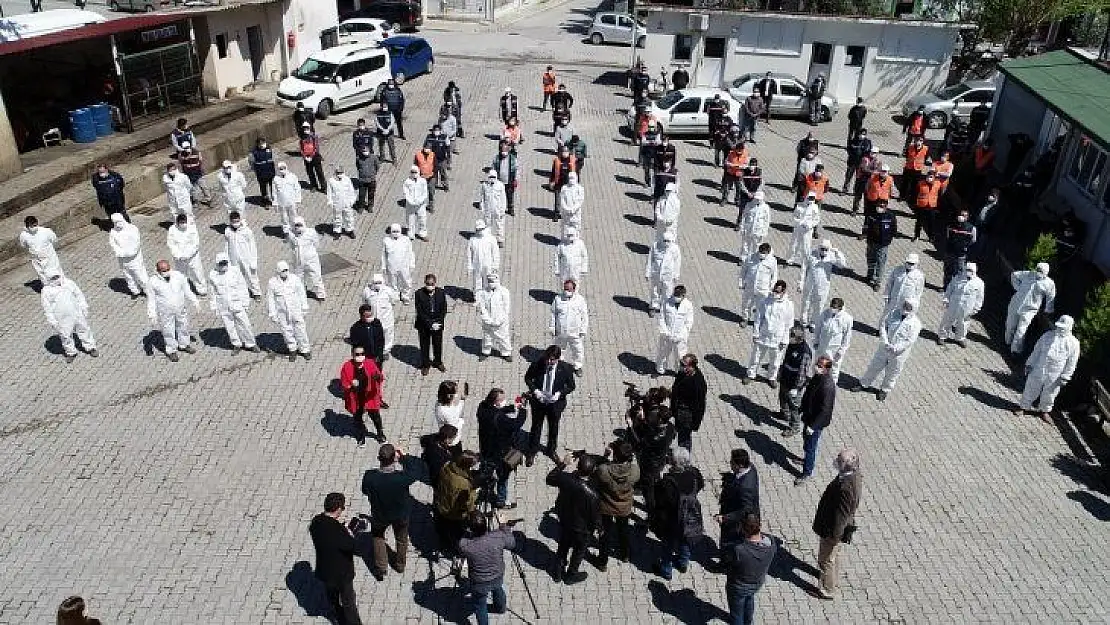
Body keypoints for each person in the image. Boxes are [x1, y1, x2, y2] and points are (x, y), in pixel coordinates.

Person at [361, 443, 419, 581]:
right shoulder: (401, 477)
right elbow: (415, 472)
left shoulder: (370, 476)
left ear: (378, 458)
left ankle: (381, 568)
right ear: (394, 458)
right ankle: (400, 565)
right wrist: (404, 457)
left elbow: (364, 490)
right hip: (400, 515)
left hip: (380, 514)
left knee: (378, 536)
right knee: (401, 539)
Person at [812, 448, 863, 600]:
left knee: (825, 559)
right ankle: (832, 580)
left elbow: (841, 516)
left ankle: (828, 590)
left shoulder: (846, 487)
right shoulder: (852, 474)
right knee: (833, 556)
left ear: (847, 464)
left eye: (840, 460)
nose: (837, 461)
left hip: (833, 530)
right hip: (836, 528)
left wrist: (834, 537)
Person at [546, 451, 601, 584]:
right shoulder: (593, 495)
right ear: (592, 471)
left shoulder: (566, 479)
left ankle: (557, 573)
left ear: (577, 467)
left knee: (563, 546)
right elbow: (594, 517)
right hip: (581, 529)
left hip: (565, 521)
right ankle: (571, 574)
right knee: (579, 551)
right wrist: (598, 529)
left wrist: (563, 464)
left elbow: (550, 478)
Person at [308, 492, 363, 625]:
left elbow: (328, 535)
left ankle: (338, 616)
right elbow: (354, 548)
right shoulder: (339, 533)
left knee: (332, 597)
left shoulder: (316, 522)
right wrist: (349, 533)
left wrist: (340, 527)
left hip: (325, 571)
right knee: (349, 603)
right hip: (342, 574)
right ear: (338, 509)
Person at [851, 299, 922, 401]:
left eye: (909, 306)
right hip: (885, 347)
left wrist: (896, 347)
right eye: (905, 305)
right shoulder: (894, 313)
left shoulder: (916, 324)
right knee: (874, 366)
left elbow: (910, 340)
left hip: (899, 353)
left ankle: (884, 389)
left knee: (893, 372)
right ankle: (864, 383)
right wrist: (884, 340)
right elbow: (883, 325)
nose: (905, 308)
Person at [652, 446, 705, 580]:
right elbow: (701, 485)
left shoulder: (668, 482)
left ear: (674, 463)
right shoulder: (694, 475)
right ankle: (683, 563)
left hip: (671, 521)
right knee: (685, 541)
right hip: (689, 517)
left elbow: (660, 502)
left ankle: (666, 570)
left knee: (668, 546)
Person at [1015, 315, 1080, 423]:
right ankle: (1023, 406)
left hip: (1056, 372)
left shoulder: (1074, 343)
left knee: (1050, 393)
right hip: (1040, 366)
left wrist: (1066, 376)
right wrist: (1030, 363)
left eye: (1063, 327)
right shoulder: (1047, 336)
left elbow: (1072, 362)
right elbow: (1037, 350)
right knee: (1031, 386)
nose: (1060, 329)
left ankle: (1044, 411)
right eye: (1059, 326)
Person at [458, 511, 519, 625]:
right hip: (497, 575)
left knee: (480, 605)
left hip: (479, 582)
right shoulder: (498, 536)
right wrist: (503, 525)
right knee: (498, 589)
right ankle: (500, 609)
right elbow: (512, 544)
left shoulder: (465, 544)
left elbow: (461, 547)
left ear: (470, 530)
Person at [720, 513, 777, 625]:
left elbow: (728, 562)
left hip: (738, 586)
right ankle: (748, 622)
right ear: (760, 525)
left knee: (736, 613)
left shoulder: (739, 549)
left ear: (743, 529)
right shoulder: (771, 542)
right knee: (749, 600)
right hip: (757, 582)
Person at [591, 439, 639, 568]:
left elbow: (597, 471)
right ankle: (625, 555)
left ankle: (602, 562)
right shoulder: (634, 471)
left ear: (615, 455)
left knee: (604, 534)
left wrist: (605, 456)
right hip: (624, 508)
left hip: (606, 507)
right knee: (623, 531)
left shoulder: (604, 470)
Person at [476, 389, 528, 507]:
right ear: (495, 402)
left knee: (485, 472)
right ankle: (501, 500)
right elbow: (516, 424)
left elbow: (497, 410)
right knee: (503, 477)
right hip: (500, 453)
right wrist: (523, 409)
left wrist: (511, 407)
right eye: (502, 399)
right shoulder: (501, 419)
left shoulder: (482, 407)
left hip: (485, 449)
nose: (505, 401)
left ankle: (484, 491)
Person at [525, 345, 577, 459]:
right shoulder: (537, 364)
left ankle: (551, 450)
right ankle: (532, 450)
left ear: (558, 359)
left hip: (555, 405)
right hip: (539, 402)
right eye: (547, 358)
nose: (549, 362)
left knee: (554, 428)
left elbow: (571, 386)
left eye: (552, 360)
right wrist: (536, 391)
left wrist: (559, 394)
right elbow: (528, 378)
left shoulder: (565, 368)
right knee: (536, 426)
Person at [794, 355, 836, 484]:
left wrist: (813, 426)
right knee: (806, 442)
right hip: (808, 416)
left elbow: (825, 410)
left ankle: (807, 471)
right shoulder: (818, 377)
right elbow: (809, 394)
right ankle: (806, 459)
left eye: (820, 366)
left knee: (811, 446)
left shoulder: (827, 386)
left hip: (815, 422)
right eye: (817, 364)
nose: (816, 367)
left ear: (826, 369)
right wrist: (801, 408)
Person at [148, 259, 199, 361]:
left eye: (167, 269)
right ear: (158, 271)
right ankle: (171, 350)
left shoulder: (178, 276)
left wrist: (195, 301)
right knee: (168, 330)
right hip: (165, 312)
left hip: (180, 308)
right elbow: (151, 299)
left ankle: (184, 344)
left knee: (183, 326)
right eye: (163, 270)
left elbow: (186, 289)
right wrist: (152, 314)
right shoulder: (153, 282)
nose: (166, 272)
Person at [745, 280, 794, 386]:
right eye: (775, 291)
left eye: (778, 292)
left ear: (784, 292)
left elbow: (788, 324)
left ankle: (772, 377)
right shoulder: (765, 301)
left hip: (778, 338)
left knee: (775, 361)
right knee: (756, 357)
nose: (776, 293)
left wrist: (784, 340)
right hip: (763, 335)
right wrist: (755, 333)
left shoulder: (788, 305)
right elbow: (758, 318)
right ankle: (751, 374)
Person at [41, 272, 98, 363]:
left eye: (57, 276)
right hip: (61, 318)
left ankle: (90, 347)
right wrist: (53, 321)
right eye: (53, 278)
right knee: (65, 335)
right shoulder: (46, 291)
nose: (56, 279)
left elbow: (78, 294)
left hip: (76, 312)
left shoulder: (68, 283)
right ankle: (71, 352)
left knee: (84, 329)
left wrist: (84, 307)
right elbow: (47, 308)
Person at [208, 253, 258, 353]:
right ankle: (236, 344)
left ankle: (250, 343)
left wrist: (245, 302)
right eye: (221, 264)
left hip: (237, 303)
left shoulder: (235, 271)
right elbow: (212, 292)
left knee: (245, 324)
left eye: (225, 263)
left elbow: (242, 287)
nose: (223, 265)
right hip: (223, 305)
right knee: (229, 326)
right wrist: (214, 307)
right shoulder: (213, 275)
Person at [1005, 263, 1056, 355]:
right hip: (1016, 303)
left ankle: (1015, 351)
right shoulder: (1028, 274)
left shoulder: (1049, 284)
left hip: (1030, 309)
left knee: (1021, 330)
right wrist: (1017, 287)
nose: (1038, 272)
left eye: (1041, 271)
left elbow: (1051, 297)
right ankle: (1007, 343)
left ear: (1046, 273)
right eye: (1038, 270)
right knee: (1010, 325)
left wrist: (1048, 310)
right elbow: (1014, 275)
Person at [433, 451, 478, 556]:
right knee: (456, 533)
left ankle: (443, 543)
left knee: (443, 528)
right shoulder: (462, 484)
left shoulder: (447, 466)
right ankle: (456, 551)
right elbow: (467, 505)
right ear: (466, 466)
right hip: (453, 513)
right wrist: (474, 493)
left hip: (441, 504)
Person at [340, 345, 385, 446]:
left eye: (362, 354)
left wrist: (377, 377)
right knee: (358, 419)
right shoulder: (347, 366)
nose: (360, 356)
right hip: (356, 399)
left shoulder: (369, 363)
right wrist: (351, 385)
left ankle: (380, 433)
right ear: (352, 355)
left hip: (369, 397)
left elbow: (380, 377)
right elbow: (344, 384)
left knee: (376, 417)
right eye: (357, 354)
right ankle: (361, 436)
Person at [267, 260, 311, 361]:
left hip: (296, 310)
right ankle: (292, 349)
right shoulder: (272, 283)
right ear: (278, 272)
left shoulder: (294, 279)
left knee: (300, 329)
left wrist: (304, 307)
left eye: (286, 270)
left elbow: (301, 293)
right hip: (282, 312)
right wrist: (272, 314)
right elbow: (270, 299)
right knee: (287, 331)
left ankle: (305, 349)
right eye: (282, 271)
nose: (285, 273)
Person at [799, 240, 848, 328]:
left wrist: (837, 252)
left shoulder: (831, 257)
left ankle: (814, 323)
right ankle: (803, 321)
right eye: (822, 249)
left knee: (819, 305)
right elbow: (804, 268)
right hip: (810, 283)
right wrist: (801, 282)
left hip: (823, 285)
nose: (824, 251)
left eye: (826, 249)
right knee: (806, 302)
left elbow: (842, 265)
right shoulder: (811, 254)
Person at [716, 449, 759, 544]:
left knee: (728, 542)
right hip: (732, 508)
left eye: (732, 463)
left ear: (740, 465)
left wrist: (725, 518)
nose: (730, 464)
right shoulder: (750, 467)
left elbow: (746, 509)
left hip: (735, 521)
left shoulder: (746, 487)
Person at [937, 263, 984, 348]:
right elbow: (949, 288)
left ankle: (960, 338)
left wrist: (976, 309)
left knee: (963, 324)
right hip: (954, 304)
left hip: (967, 307)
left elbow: (980, 297)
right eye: (967, 270)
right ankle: (942, 336)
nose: (968, 272)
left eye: (970, 270)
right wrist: (946, 299)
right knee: (947, 319)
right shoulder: (958, 278)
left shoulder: (979, 283)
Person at [778, 326, 812, 437]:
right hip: (785, 378)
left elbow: (802, 373)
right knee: (782, 398)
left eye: (792, 336)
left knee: (794, 406)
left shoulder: (804, 352)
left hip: (794, 385)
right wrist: (780, 372)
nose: (789, 338)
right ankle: (784, 414)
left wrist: (796, 388)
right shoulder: (792, 345)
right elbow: (786, 360)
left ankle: (795, 426)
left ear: (799, 338)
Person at [550, 279, 589, 374]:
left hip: (575, 332)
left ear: (574, 289)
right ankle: (558, 364)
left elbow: (584, 316)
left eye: (569, 289)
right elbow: (553, 314)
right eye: (565, 289)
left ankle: (578, 366)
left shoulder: (580, 300)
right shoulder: (558, 299)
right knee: (559, 349)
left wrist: (583, 330)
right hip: (561, 331)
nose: (566, 291)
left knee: (577, 350)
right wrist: (552, 328)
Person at [671, 354, 707, 451]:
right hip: (678, 410)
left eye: (683, 364)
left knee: (684, 439)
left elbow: (700, 405)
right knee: (677, 432)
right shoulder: (682, 373)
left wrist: (695, 423)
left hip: (687, 416)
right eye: (681, 363)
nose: (681, 366)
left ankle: (684, 459)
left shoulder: (698, 383)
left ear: (691, 366)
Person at [107, 212, 148, 299]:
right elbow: (113, 244)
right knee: (128, 276)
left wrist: (128, 253)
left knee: (140, 275)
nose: (117, 224)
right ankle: (135, 290)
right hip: (123, 259)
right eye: (115, 223)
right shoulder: (113, 232)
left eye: (119, 222)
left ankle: (147, 290)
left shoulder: (132, 229)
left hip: (134, 259)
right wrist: (119, 252)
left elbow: (136, 244)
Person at [656, 285, 694, 376]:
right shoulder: (666, 302)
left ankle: (679, 371)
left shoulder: (688, 305)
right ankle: (660, 369)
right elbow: (661, 318)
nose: (676, 297)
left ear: (683, 295)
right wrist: (665, 332)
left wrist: (681, 335)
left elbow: (689, 322)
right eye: (675, 295)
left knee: (680, 355)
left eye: (678, 296)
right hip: (667, 335)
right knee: (663, 353)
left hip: (680, 337)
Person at [286, 217, 326, 301]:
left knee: (316, 276)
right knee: (299, 277)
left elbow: (316, 243)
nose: (297, 228)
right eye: (295, 226)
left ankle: (320, 294)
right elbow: (291, 245)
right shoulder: (291, 234)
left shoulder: (310, 232)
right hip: (298, 260)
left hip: (311, 259)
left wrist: (310, 253)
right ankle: (301, 293)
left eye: (299, 225)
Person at [166, 214, 207, 296]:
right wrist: (178, 255)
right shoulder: (172, 229)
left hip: (192, 257)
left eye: (184, 222)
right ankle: (183, 289)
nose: (183, 224)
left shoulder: (192, 228)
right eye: (181, 223)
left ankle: (201, 289)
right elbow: (171, 244)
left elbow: (195, 243)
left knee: (197, 273)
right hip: (179, 258)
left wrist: (188, 255)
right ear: (177, 223)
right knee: (181, 274)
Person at [415, 273, 447, 375]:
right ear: (425, 283)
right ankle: (425, 364)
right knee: (424, 345)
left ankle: (438, 362)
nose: (430, 286)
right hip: (424, 325)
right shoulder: (419, 294)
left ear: (435, 283)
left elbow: (444, 309)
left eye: (432, 284)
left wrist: (439, 322)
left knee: (437, 344)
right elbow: (420, 312)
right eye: (428, 284)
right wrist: (430, 324)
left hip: (437, 324)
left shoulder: (441, 293)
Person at [813, 297, 852, 382]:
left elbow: (847, 337)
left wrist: (841, 351)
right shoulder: (825, 313)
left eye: (835, 307)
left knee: (833, 370)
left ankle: (831, 387)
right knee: (818, 365)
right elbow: (818, 328)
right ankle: (815, 382)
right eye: (831, 306)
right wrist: (816, 341)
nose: (832, 309)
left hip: (834, 350)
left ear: (840, 308)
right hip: (822, 346)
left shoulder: (847, 319)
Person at [476, 272, 513, 362]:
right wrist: (487, 319)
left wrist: (500, 320)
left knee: (503, 337)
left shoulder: (504, 292)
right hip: (488, 321)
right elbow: (482, 307)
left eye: (492, 281)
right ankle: (485, 351)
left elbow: (506, 308)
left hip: (501, 322)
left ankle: (506, 353)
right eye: (489, 281)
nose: (490, 283)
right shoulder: (483, 292)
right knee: (487, 337)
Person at [861, 200, 897, 290]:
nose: (880, 207)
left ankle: (877, 282)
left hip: (882, 245)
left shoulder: (890, 216)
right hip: (871, 242)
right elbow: (866, 225)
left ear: (886, 207)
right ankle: (869, 276)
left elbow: (894, 230)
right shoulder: (872, 214)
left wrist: (888, 240)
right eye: (878, 205)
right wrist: (865, 235)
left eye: (882, 206)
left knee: (880, 263)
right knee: (870, 259)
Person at [224, 212, 261, 298]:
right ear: (230, 221)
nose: (236, 223)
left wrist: (253, 260)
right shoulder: (228, 231)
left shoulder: (247, 231)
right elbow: (226, 245)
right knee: (237, 276)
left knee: (251, 275)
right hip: (234, 258)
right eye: (234, 221)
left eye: (237, 221)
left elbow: (253, 246)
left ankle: (256, 292)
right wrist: (227, 258)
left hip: (246, 257)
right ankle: (242, 292)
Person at [739, 242, 777, 325]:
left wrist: (771, 288)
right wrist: (741, 282)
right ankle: (745, 318)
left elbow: (774, 276)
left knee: (762, 305)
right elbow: (743, 270)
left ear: (768, 252)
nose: (761, 254)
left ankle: (759, 321)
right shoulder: (751, 257)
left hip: (763, 288)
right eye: (760, 252)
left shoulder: (772, 261)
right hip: (750, 285)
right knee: (746, 303)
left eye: (764, 253)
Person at [362, 274, 398, 359]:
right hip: (373, 319)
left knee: (388, 335)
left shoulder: (388, 291)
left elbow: (394, 301)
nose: (377, 284)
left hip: (386, 319)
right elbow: (365, 302)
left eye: (379, 282)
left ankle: (386, 351)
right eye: (376, 282)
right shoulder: (367, 291)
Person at [646, 231, 682, 316]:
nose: (666, 243)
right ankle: (653, 306)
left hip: (668, 275)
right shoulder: (655, 246)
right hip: (656, 274)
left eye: (668, 241)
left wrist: (676, 275)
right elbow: (650, 259)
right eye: (664, 240)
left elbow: (677, 262)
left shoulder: (675, 249)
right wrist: (647, 272)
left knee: (668, 292)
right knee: (655, 291)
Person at [881, 253, 924, 323]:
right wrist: (886, 295)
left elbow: (918, 292)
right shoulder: (897, 270)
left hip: (906, 302)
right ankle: (882, 331)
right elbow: (889, 283)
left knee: (900, 319)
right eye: (908, 263)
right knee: (886, 315)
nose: (910, 265)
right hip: (893, 298)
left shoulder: (919, 276)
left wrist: (914, 304)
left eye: (912, 263)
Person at [19, 215, 61, 284]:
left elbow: (54, 239)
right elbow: (24, 245)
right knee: (43, 277)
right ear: (27, 226)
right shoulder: (23, 235)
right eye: (31, 226)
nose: (34, 228)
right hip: (37, 259)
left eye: (35, 225)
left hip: (50, 257)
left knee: (56, 274)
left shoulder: (46, 231)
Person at [381, 224, 415, 303]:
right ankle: (394, 296)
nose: (395, 233)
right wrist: (383, 266)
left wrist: (412, 264)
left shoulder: (406, 240)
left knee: (406, 281)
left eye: (397, 231)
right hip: (391, 266)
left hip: (404, 266)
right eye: (394, 231)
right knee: (392, 282)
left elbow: (411, 253)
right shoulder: (386, 240)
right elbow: (383, 254)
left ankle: (405, 295)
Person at [467, 219, 501, 297]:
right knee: (477, 282)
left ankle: (488, 296)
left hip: (488, 265)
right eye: (478, 229)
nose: (479, 231)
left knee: (488, 281)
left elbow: (495, 253)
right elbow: (469, 254)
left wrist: (495, 265)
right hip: (477, 265)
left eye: (481, 229)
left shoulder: (491, 239)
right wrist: (469, 266)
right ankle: (477, 297)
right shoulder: (473, 239)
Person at [943, 209, 977, 287]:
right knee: (948, 270)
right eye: (961, 215)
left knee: (959, 272)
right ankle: (945, 287)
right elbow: (948, 236)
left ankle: (956, 288)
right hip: (950, 251)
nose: (962, 217)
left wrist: (964, 246)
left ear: (967, 217)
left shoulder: (971, 228)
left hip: (961, 254)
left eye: (964, 215)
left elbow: (973, 240)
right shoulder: (951, 225)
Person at [420, 424, 458, 492]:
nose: (454, 439)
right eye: (453, 438)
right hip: (436, 478)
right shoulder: (441, 456)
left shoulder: (434, 439)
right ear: (446, 439)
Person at [788, 192, 820, 266]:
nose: (811, 200)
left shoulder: (815, 207)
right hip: (798, 228)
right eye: (810, 198)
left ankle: (805, 262)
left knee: (806, 246)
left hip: (807, 230)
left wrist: (810, 225)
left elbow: (817, 219)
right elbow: (794, 216)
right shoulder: (799, 205)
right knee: (794, 244)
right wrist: (799, 222)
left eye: (812, 198)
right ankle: (790, 259)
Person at [477, 170, 509, 246]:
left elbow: (503, 198)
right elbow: (482, 197)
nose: (492, 179)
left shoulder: (500, 185)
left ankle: (500, 240)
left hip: (497, 209)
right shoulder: (484, 185)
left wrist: (502, 210)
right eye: (490, 177)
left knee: (499, 225)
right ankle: (488, 239)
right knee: (488, 225)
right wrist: (482, 207)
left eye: (493, 177)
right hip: (488, 209)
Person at [738, 191, 770, 260]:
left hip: (758, 230)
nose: (757, 200)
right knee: (745, 244)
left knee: (757, 245)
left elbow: (766, 220)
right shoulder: (749, 205)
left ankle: (754, 258)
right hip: (748, 228)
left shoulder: (765, 208)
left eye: (759, 199)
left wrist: (765, 231)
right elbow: (744, 216)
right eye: (756, 198)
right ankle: (743, 258)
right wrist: (742, 227)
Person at [327, 165, 358, 239]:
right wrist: (330, 202)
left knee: (349, 217)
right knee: (337, 218)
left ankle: (350, 230)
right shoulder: (331, 181)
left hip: (347, 202)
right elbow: (329, 192)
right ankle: (337, 231)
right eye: (338, 173)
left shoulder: (347, 179)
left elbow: (351, 191)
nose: (340, 174)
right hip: (337, 203)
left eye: (341, 172)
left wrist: (352, 201)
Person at [912, 170, 942, 243]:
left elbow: (940, 195)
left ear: (934, 178)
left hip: (932, 206)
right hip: (922, 205)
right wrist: (915, 204)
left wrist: (938, 206)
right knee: (919, 222)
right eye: (928, 176)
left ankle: (931, 237)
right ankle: (916, 236)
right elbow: (915, 193)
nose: (929, 178)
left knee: (931, 222)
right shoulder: (920, 183)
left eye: (931, 177)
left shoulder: (938, 184)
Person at [401, 166, 429, 241]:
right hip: (410, 205)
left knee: (422, 219)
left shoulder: (423, 181)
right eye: (412, 172)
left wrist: (420, 200)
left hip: (421, 204)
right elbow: (405, 193)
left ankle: (423, 233)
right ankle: (411, 234)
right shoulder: (407, 182)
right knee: (410, 220)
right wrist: (410, 201)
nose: (414, 174)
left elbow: (425, 192)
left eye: (415, 172)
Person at [490, 142, 519, 216]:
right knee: (498, 196)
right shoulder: (496, 158)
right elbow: (493, 169)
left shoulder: (513, 159)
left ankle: (510, 209)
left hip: (509, 181)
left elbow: (517, 169)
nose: (504, 153)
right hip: (499, 181)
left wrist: (516, 179)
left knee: (509, 196)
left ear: (509, 150)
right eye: (502, 151)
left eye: (505, 151)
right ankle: (499, 209)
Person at [272, 162, 302, 230]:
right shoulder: (275, 179)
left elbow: (297, 189)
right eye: (280, 168)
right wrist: (275, 203)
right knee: (284, 218)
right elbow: (274, 192)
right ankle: (287, 232)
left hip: (292, 201)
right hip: (282, 203)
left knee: (294, 217)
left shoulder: (292, 176)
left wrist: (298, 200)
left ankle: (295, 230)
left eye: (283, 168)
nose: (282, 170)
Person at [550, 145, 577, 216]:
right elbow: (553, 172)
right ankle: (556, 213)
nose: (564, 153)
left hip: (568, 185)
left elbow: (576, 173)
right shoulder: (557, 160)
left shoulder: (572, 161)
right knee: (557, 199)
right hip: (558, 183)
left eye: (566, 151)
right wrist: (551, 181)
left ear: (569, 152)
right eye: (563, 151)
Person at [843, 128, 872, 192]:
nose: (862, 135)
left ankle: (856, 190)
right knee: (848, 176)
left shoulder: (867, 142)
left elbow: (868, 152)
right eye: (861, 134)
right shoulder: (853, 141)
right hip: (852, 162)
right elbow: (849, 150)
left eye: (864, 134)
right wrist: (853, 155)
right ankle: (845, 189)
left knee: (858, 178)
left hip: (861, 164)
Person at [902, 136, 929, 206]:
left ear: (923, 142)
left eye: (920, 140)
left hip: (918, 169)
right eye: (917, 140)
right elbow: (907, 155)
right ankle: (902, 196)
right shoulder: (910, 147)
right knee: (905, 182)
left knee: (914, 185)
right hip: (909, 167)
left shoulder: (926, 149)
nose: (918, 142)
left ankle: (911, 199)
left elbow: (925, 158)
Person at [299, 123, 326, 192]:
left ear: (309, 128)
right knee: (310, 173)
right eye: (304, 129)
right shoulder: (302, 138)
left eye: (307, 129)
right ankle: (314, 186)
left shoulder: (314, 137)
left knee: (320, 173)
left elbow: (316, 148)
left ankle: (324, 187)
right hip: (307, 158)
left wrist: (311, 156)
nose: (305, 131)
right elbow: (301, 149)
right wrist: (305, 157)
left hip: (315, 157)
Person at [248, 137, 275, 205]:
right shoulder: (253, 153)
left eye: (264, 143)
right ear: (257, 144)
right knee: (263, 188)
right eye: (261, 144)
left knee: (273, 186)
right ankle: (266, 202)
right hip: (261, 174)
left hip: (271, 172)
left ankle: (275, 199)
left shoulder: (269, 149)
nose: (263, 145)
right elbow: (251, 164)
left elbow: (273, 159)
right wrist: (257, 171)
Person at [424, 125, 451, 192]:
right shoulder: (429, 137)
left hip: (442, 159)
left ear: (440, 131)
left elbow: (448, 148)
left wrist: (448, 159)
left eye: (437, 130)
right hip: (432, 160)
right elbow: (425, 147)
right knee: (433, 173)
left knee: (443, 173)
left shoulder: (444, 137)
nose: (436, 132)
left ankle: (445, 186)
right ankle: (434, 185)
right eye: (435, 130)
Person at [352, 145, 379, 214]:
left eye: (366, 151)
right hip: (362, 180)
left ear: (369, 151)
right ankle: (361, 207)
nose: (365, 152)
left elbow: (377, 166)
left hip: (371, 180)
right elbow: (357, 166)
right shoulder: (358, 158)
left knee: (371, 194)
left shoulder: (374, 157)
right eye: (363, 151)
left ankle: (370, 206)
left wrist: (373, 173)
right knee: (361, 194)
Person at [557, 171, 585, 237]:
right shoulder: (564, 188)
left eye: (573, 178)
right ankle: (565, 239)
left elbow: (580, 201)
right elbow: (562, 199)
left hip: (575, 213)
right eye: (570, 178)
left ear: (576, 178)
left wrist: (573, 209)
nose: (571, 180)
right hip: (566, 213)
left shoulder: (580, 189)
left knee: (576, 226)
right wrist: (566, 208)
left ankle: (576, 239)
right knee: (565, 226)